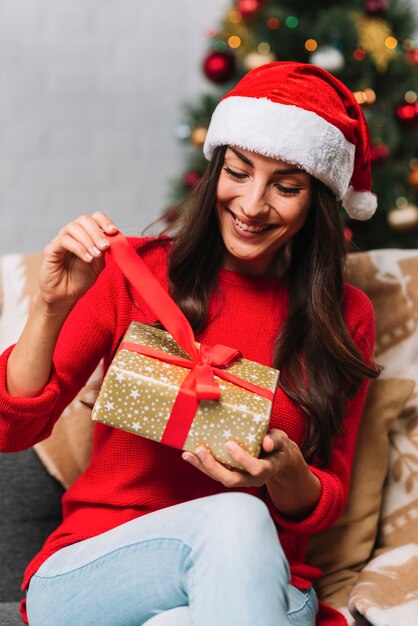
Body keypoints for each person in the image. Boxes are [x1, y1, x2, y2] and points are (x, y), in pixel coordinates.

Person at [0, 61, 380, 626]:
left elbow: (323, 502)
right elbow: (13, 428)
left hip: (259, 583)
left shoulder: (344, 316)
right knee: (235, 518)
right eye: (238, 171)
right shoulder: (137, 273)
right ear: (214, 171)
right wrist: (50, 305)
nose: (252, 205)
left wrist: (283, 472)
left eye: (286, 186)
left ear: (318, 201)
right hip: (97, 568)